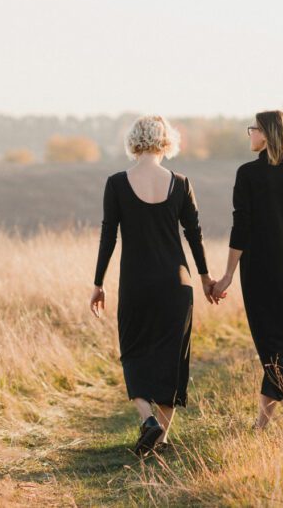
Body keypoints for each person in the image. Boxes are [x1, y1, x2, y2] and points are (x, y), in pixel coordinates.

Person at [91, 115, 212, 455]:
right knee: (172, 359)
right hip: (178, 285)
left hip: (136, 283)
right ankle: (161, 438)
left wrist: (98, 282)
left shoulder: (116, 183)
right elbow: (195, 234)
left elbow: (108, 236)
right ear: (166, 141)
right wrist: (205, 278)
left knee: (133, 351)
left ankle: (149, 422)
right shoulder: (181, 182)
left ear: (134, 142)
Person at [209, 110, 283, 438]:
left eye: (252, 129)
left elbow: (241, 228)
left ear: (268, 134)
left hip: (260, 271)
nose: (250, 134)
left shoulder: (248, 175)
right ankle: (259, 428)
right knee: (281, 345)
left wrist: (227, 275)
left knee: (273, 346)